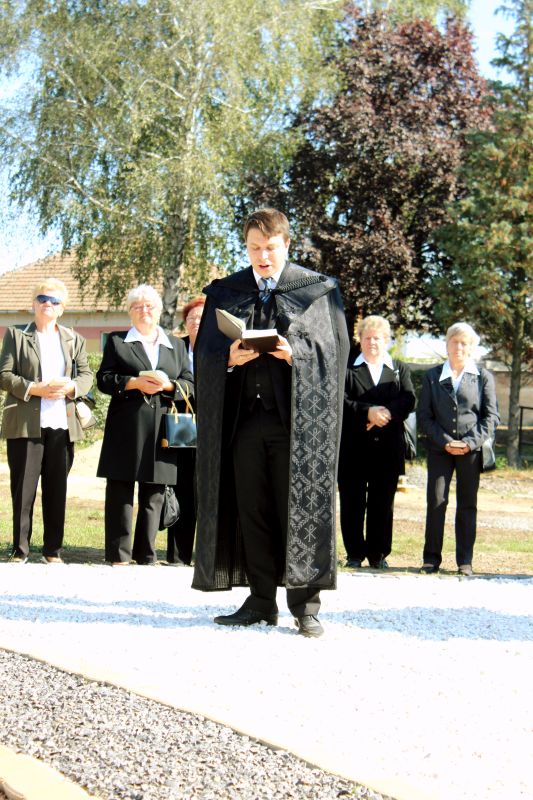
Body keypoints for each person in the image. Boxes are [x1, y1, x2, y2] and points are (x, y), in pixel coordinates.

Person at [192, 207, 350, 637]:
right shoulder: (227, 291)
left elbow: (335, 354)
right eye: (254, 248)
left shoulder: (317, 291)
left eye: (270, 248)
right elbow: (204, 354)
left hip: (297, 427)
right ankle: (261, 601)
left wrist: (296, 355)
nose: (262, 257)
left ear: (286, 245)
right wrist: (227, 358)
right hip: (244, 422)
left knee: (298, 511)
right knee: (253, 512)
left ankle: (305, 606)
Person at [96, 284, 194, 565]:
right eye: (137, 306)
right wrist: (133, 383)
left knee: (155, 493)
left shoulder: (176, 345)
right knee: (120, 490)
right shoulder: (117, 341)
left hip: (163, 427)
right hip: (126, 425)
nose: (144, 311)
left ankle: (146, 555)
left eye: (149, 306)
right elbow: (104, 379)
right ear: (130, 312)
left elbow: (190, 383)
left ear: (159, 310)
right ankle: (119, 554)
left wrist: (168, 385)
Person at [0, 278, 93, 563]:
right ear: (33, 303)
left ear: (62, 308)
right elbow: (4, 375)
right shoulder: (16, 335)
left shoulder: (74, 339)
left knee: (57, 490)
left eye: (54, 301)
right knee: (23, 491)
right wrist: (34, 389)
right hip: (25, 424)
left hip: (63, 424)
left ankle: (53, 551)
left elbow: (86, 375)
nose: (47, 304)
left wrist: (72, 387)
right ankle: (20, 550)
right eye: (42, 299)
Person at [418, 322, 499, 576]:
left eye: (464, 343)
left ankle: (465, 561)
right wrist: (445, 442)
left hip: (470, 452)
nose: (459, 347)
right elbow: (424, 417)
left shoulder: (483, 377)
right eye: (455, 342)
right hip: (439, 450)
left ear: (471, 347)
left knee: (467, 504)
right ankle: (431, 559)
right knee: (436, 502)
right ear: (447, 344)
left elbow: (491, 417)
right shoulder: (432, 376)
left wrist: (469, 443)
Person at [338, 315, 416, 570]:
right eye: (368, 337)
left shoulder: (399, 369)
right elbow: (339, 400)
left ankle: (378, 554)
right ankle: (354, 554)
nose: (372, 342)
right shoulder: (347, 368)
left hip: (388, 448)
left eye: (378, 338)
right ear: (360, 340)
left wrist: (386, 414)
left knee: (382, 503)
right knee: (352, 501)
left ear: (387, 340)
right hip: (353, 447)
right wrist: (367, 412)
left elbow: (409, 399)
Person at [166, 297, 205, 565]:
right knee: (182, 485)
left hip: (215, 425)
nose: (196, 322)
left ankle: (206, 555)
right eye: (191, 318)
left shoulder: (221, 347)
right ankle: (178, 555)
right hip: (183, 423)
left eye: (201, 318)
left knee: (208, 489)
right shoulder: (175, 348)